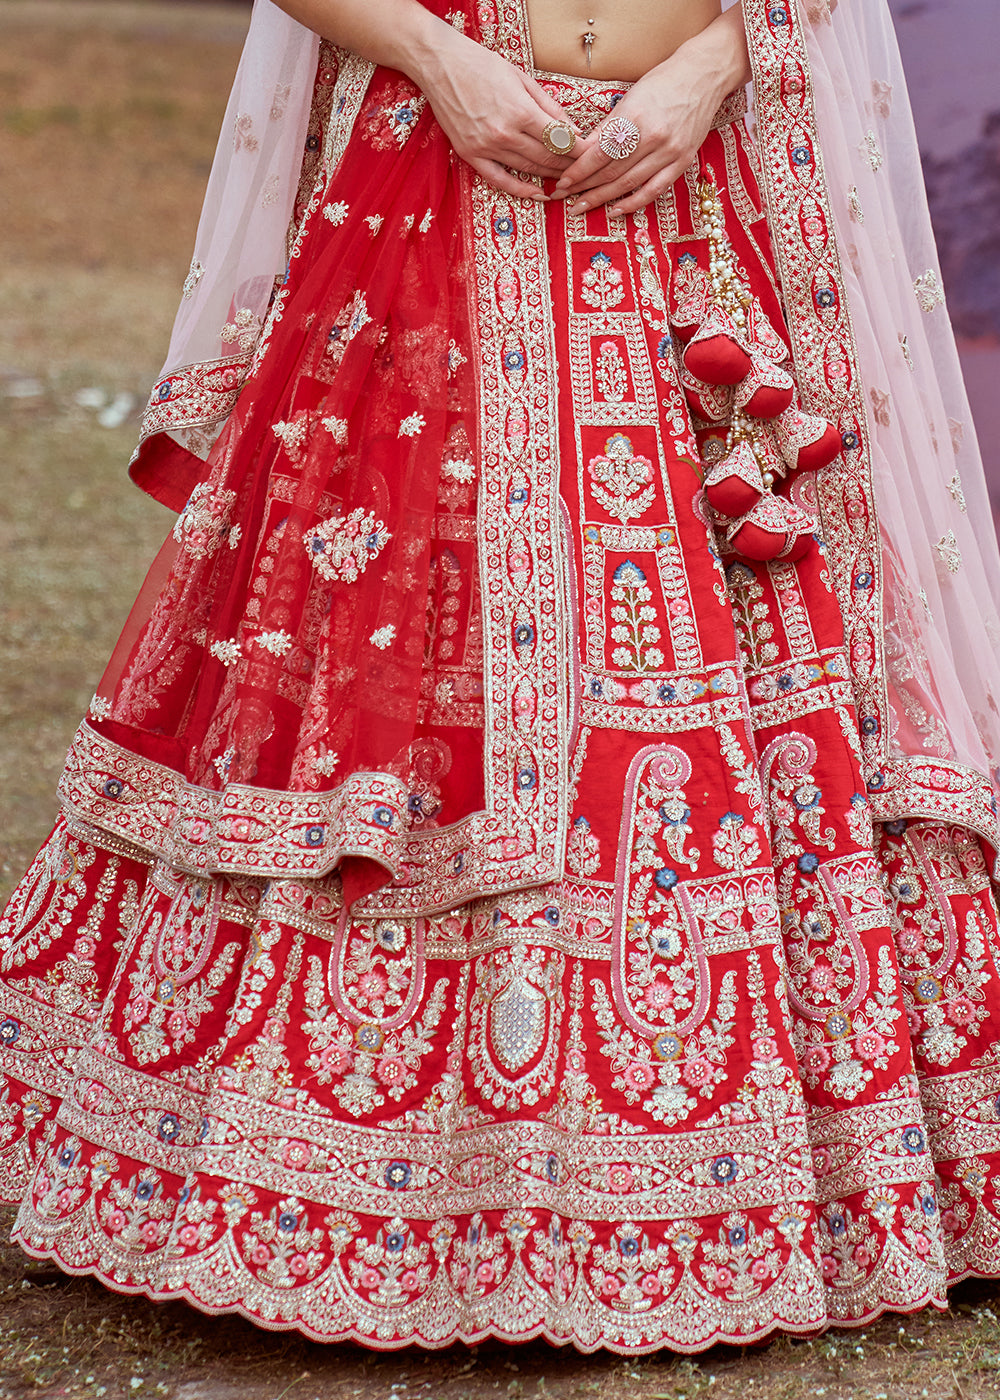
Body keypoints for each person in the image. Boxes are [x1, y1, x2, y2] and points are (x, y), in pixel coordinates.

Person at [1, 0, 1000, 1354]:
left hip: (685, 190)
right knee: (396, 671)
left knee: (738, 632)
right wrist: (442, 60)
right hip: (444, 175)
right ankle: (342, 1189)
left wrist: (721, 63)